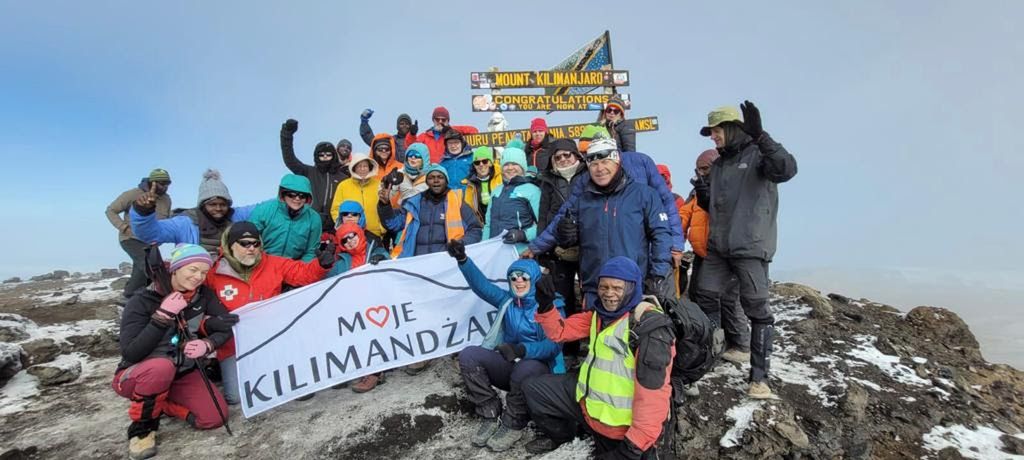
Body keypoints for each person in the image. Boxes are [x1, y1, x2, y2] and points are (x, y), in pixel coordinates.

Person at [693, 101, 797, 399]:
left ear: (731, 128)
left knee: (757, 308)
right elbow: (719, 207)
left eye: (715, 131)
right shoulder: (720, 164)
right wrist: (704, 197)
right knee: (706, 296)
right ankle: (711, 357)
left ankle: (759, 378)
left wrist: (762, 137)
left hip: (750, 246)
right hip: (719, 247)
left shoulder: (758, 155)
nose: (712, 137)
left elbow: (787, 169)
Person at [523, 257, 676, 458]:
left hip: (620, 428)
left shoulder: (649, 329)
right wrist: (545, 306)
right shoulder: (600, 315)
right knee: (534, 389)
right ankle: (566, 437)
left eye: (617, 288)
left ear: (632, 288)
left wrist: (631, 449)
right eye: (603, 287)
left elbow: (652, 398)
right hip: (589, 405)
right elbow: (560, 332)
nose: (608, 294)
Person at [113, 243, 235, 460]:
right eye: (193, 269)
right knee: (161, 367)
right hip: (137, 375)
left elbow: (225, 325)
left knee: (215, 417)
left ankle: (163, 405)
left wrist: (209, 344)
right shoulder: (142, 301)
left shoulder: (203, 296)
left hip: (182, 373)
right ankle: (142, 431)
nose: (198, 277)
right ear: (176, 268)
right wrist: (162, 316)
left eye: (204, 272)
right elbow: (131, 353)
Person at [445, 240, 564, 452]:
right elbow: (481, 286)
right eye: (513, 277)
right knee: (469, 356)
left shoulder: (551, 305)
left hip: (540, 371)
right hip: (512, 364)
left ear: (534, 279)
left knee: (525, 367)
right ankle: (490, 412)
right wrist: (463, 260)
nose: (518, 281)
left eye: (524, 277)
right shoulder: (507, 301)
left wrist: (522, 350)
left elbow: (553, 347)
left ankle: (514, 422)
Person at [526, 138, 677, 303]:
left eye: (605, 162)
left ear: (617, 162)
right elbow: (562, 229)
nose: (600, 169)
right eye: (594, 164)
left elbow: (661, 235)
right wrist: (561, 236)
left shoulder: (644, 194)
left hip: (631, 286)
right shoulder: (582, 200)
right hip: (594, 289)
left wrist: (658, 275)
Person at [205, 222, 334, 405]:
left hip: (272, 340)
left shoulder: (272, 263)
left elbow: (303, 273)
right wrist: (209, 324)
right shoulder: (213, 274)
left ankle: (275, 371)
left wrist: (321, 265)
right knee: (236, 397)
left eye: (255, 244)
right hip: (234, 345)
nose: (251, 249)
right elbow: (199, 308)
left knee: (300, 387)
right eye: (244, 243)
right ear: (230, 245)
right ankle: (223, 368)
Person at [678, 150, 747, 366]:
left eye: (705, 168)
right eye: (698, 169)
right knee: (700, 295)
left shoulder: (730, 187)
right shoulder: (697, 190)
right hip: (703, 252)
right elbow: (684, 215)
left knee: (726, 300)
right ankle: (715, 343)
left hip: (726, 254)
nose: (701, 172)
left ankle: (737, 345)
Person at [535, 139, 587, 353]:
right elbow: (544, 215)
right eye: (558, 157)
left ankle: (592, 342)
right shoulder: (548, 181)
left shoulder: (587, 176)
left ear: (576, 155)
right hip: (558, 250)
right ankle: (568, 348)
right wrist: (542, 249)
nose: (564, 159)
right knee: (562, 297)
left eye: (568, 155)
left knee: (588, 297)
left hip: (587, 247)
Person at [130, 169, 254, 256]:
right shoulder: (185, 223)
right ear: (202, 205)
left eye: (223, 204)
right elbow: (151, 234)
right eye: (212, 204)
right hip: (199, 280)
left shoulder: (237, 216)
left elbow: (265, 208)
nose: (218, 208)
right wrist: (143, 211)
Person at [379, 164, 483, 259]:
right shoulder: (414, 203)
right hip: (416, 263)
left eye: (440, 177)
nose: (436, 180)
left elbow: (475, 229)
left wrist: (461, 244)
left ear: (446, 181)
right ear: (427, 182)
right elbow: (393, 224)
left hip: (447, 262)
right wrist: (384, 204)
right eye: (431, 177)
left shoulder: (458, 201)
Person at [106, 169, 173, 301]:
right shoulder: (133, 194)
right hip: (131, 238)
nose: (164, 187)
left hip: (151, 241)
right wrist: (123, 227)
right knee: (146, 264)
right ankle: (130, 296)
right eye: (161, 183)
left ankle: (138, 296)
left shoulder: (166, 199)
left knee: (152, 267)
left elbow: (166, 218)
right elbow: (110, 210)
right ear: (151, 182)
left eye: (167, 184)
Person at [280, 119, 350, 232]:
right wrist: (287, 134)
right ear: (317, 157)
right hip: (308, 223)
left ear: (334, 156)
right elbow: (290, 159)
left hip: (334, 227)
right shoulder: (308, 171)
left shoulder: (343, 177)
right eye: (321, 155)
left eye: (328, 154)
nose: (325, 157)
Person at [247, 174, 321, 261]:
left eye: (302, 196)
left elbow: (311, 251)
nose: (297, 199)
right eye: (292, 194)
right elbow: (249, 238)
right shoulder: (263, 210)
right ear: (283, 194)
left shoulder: (314, 218)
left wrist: (299, 269)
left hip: (293, 266)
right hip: (262, 261)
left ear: (307, 198)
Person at [484, 147, 540, 253]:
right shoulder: (496, 191)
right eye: (506, 164)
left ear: (522, 166)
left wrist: (523, 235)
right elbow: (488, 224)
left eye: (514, 164)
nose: (510, 168)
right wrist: (484, 246)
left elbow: (543, 225)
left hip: (520, 252)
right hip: (495, 252)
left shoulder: (532, 190)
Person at [330, 153, 386, 240]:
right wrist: (343, 227)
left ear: (370, 167)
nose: (362, 169)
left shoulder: (379, 185)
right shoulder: (343, 185)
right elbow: (335, 209)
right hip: (350, 235)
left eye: (365, 166)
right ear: (354, 168)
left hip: (375, 233)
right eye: (359, 166)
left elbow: (386, 207)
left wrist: (381, 228)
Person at [404, 106, 479, 163]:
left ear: (448, 121)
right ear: (433, 120)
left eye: (443, 120)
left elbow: (474, 131)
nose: (440, 121)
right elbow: (410, 147)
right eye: (437, 119)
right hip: (430, 173)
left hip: (449, 169)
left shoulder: (453, 131)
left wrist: (450, 131)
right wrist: (412, 134)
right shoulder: (425, 136)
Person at [462, 146, 503, 222]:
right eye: (477, 162)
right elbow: (469, 208)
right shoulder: (470, 184)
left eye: (484, 161)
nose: (481, 165)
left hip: (501, 221)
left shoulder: (501, 177)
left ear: (490, 163)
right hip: (481, 225)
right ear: (474, 166)